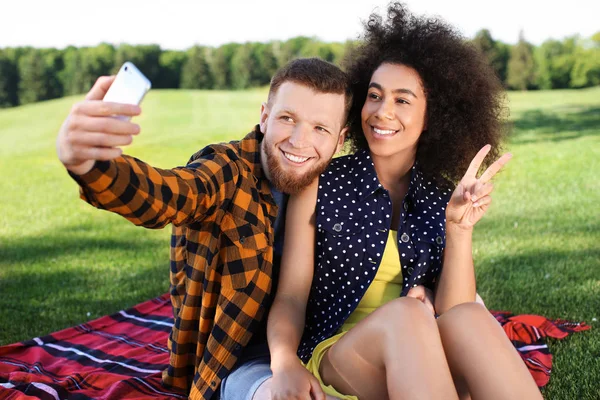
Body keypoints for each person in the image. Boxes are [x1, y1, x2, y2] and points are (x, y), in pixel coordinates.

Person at [262, 3, 543, 400]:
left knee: (471, 319)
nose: (382, 112)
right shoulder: (322, 182)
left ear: (432, 117)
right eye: (374, 96)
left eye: (402, 100)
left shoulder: (442, 195)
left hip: (421, 356)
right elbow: (291, 295)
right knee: (409, 315)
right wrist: (283, 361)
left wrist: (459, 229)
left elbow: (454, 310)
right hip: (339, 353)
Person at [56, 58, 352, 400]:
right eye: (288, 118)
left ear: (341, 139)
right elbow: (168, 194)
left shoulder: (340, 187)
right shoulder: (227, 171)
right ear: (265, 116)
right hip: (241, 362)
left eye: (320, 128)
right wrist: (89, 165)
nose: (300, 141)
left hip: (320, 348)